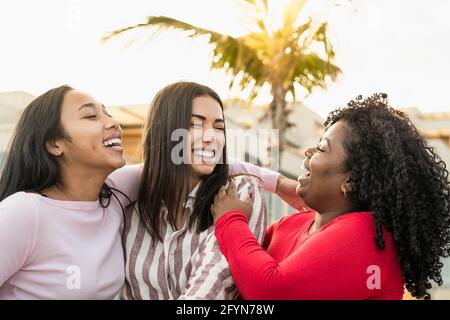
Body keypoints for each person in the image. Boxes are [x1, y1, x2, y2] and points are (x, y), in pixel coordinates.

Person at [212, 93, 450, 300]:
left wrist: (231, 219)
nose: (309, 152)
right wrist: (279, 182)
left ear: (351, 181)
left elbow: (271, 292)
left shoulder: (369, 237)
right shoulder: (289, 225)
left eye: (322, 148)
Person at [107, 81, 301, 299]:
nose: (212, 137)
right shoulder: (131, 207)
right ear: (165, 133)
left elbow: (209, 290)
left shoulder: (240, 193)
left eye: (219, 127)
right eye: (195, 125)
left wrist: (278, 181)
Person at [0, 85, 130, 299]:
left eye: (107, 113)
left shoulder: (116, 193)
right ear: (54, 144)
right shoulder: (23, 212)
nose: (113, 122)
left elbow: (174, 169)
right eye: (90, 116)